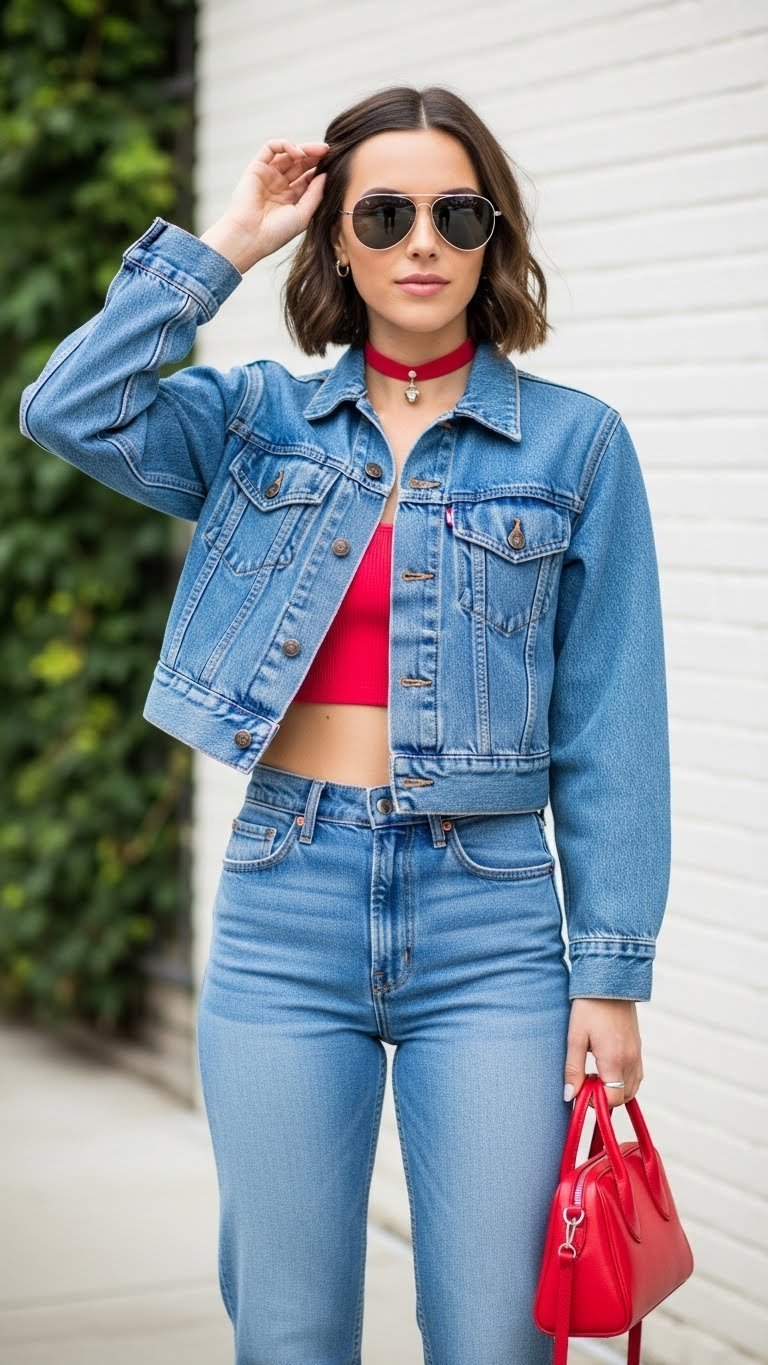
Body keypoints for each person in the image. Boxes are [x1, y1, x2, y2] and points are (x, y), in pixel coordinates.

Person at [20, 85, 671, 1365]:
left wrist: (611, 970)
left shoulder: (578, 446)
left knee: (494, 1337)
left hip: (491, 926)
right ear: (339, 241)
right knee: (292, 1330)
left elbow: (614, 720)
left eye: (456, 211)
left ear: (494, 237)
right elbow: (67, 408)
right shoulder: (256, 420)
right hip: (285, 904)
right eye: (383, 212)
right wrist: (228, 242)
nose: (421, 241)